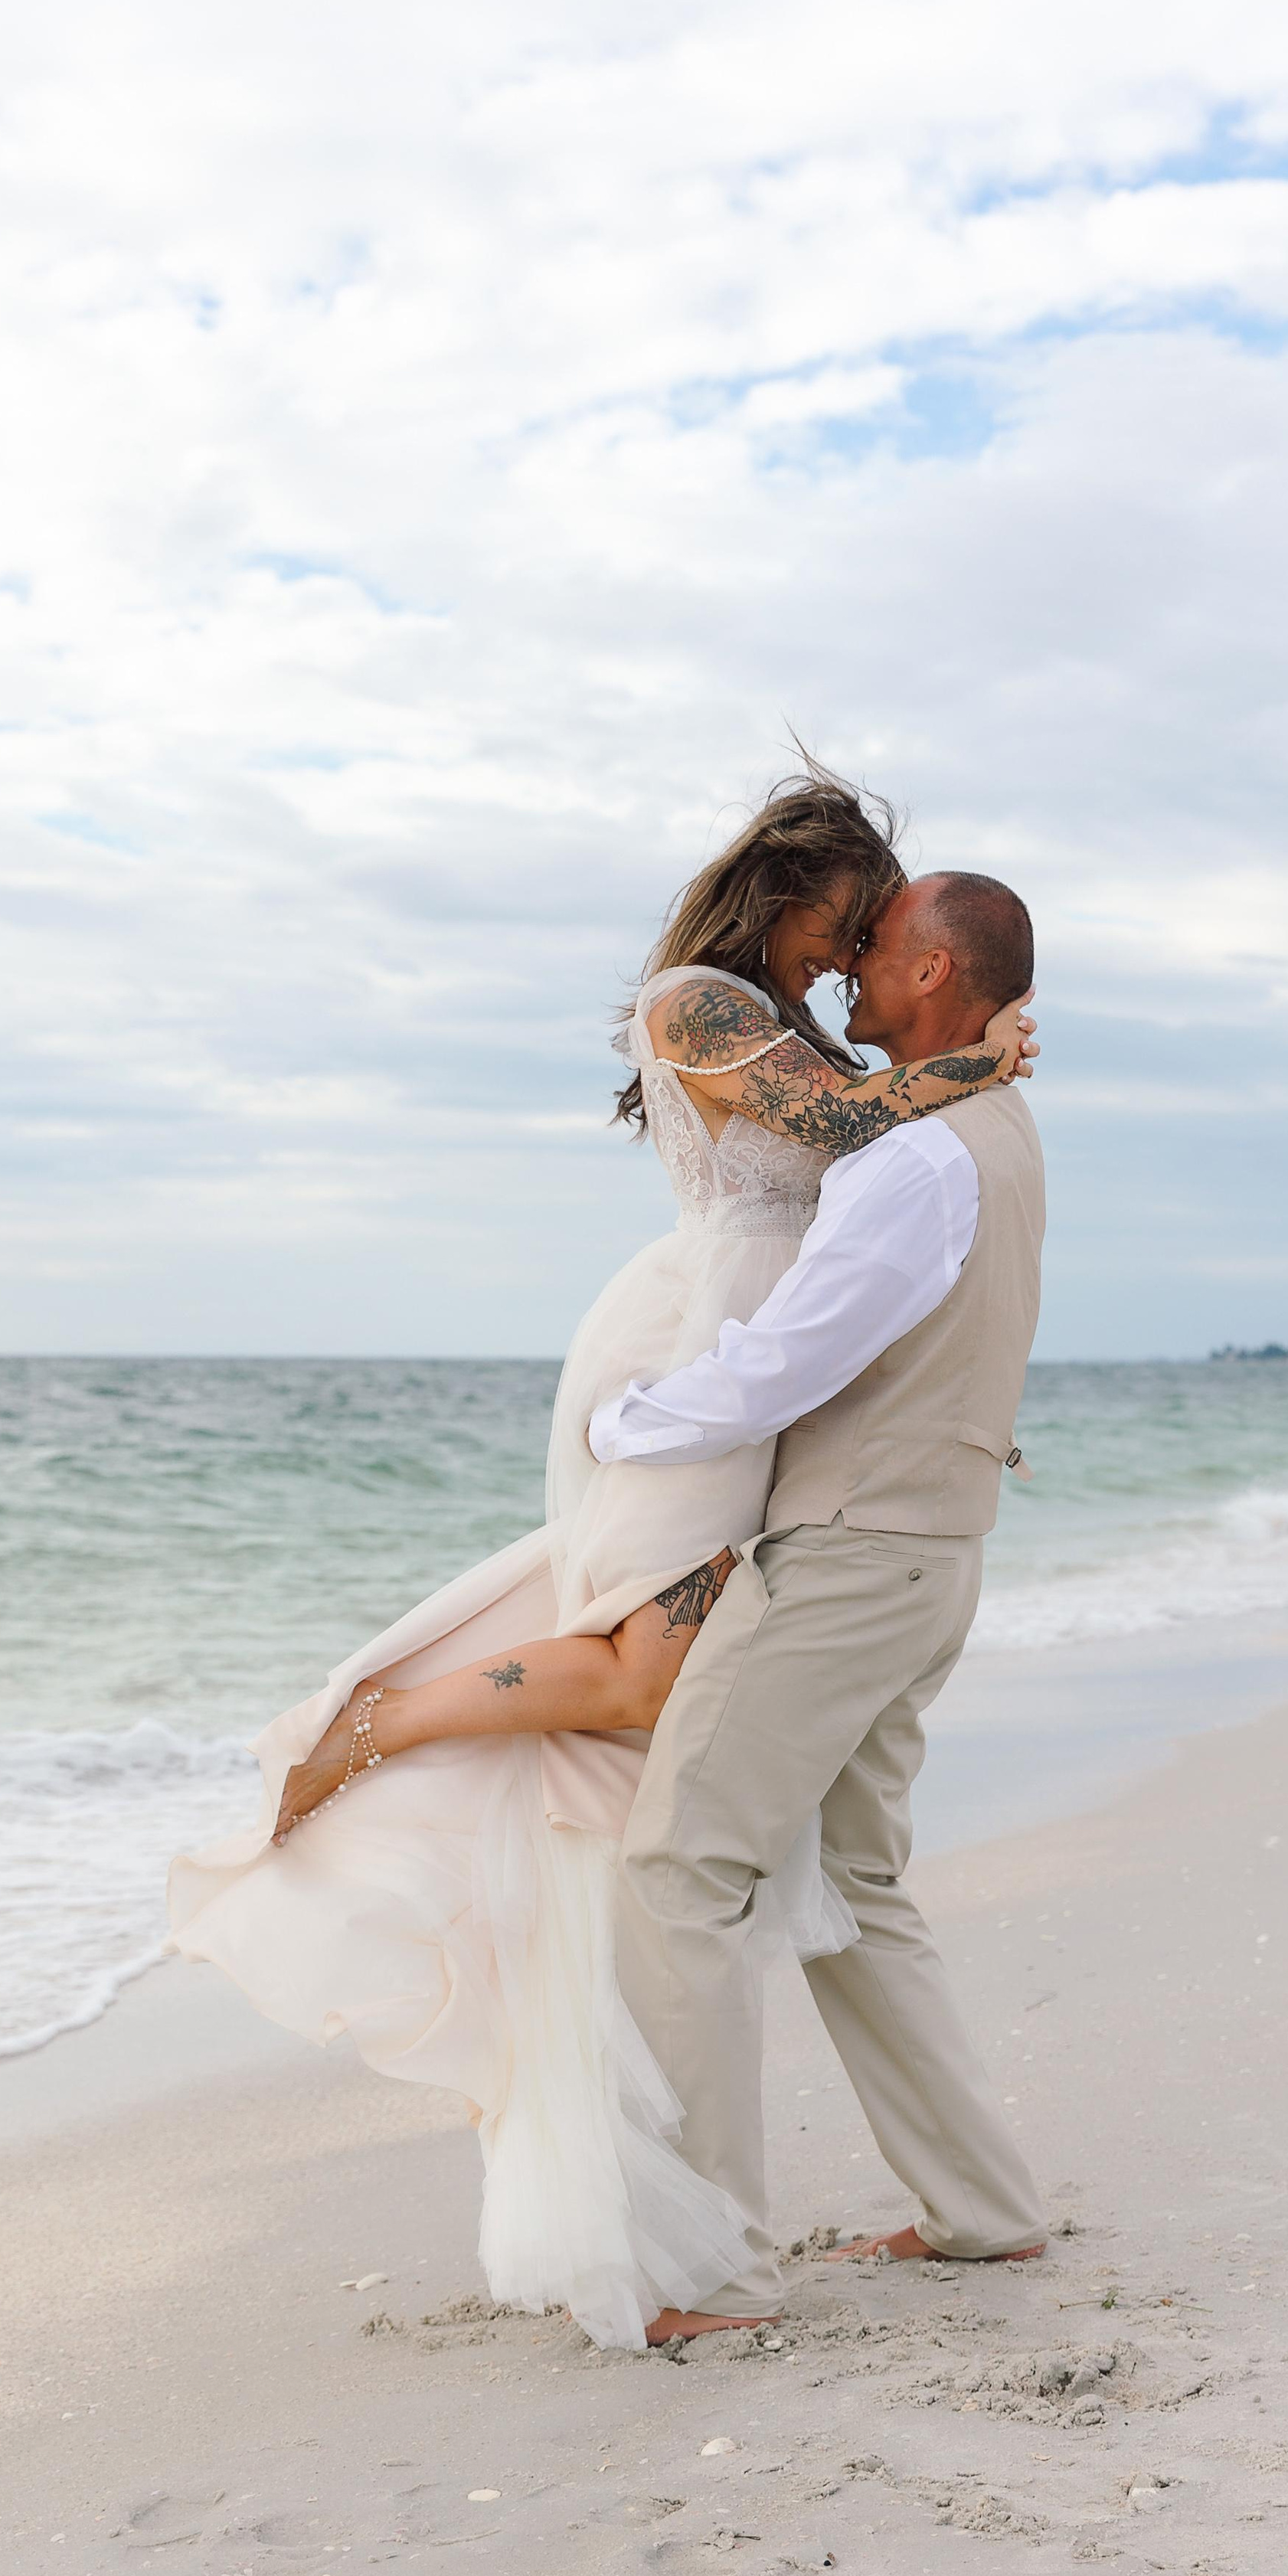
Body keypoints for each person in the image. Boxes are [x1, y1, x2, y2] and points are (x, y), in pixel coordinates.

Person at [166, 769, 1035, 2352]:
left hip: (761, 1393)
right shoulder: (693, 1001)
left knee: (666, 1726)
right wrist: (970, 1056)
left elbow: (895, 1235)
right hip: (690, 1359)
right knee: (645, 1685)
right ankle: (375, 1724)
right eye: (845, 924)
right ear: (788, 885)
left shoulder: (830, 1046)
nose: (847, 964)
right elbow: (843, 1131)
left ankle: (742, 2223)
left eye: (869, 945)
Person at [590, 868, 1051, 2330]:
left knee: (681, 1869)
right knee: (857, 1883)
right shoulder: (1002, 1134)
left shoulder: (914, 1160)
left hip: (853, 1555)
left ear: (934, 974)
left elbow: (796, 1360)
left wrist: (626, 1423)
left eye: (877, 954)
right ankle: (985, 2209)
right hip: (938, 1550)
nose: (852, 979)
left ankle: (705, 2267)